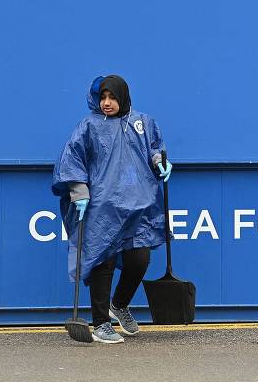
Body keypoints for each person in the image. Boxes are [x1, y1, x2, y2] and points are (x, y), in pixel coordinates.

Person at [52, 75, 173, 344]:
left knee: (139, 258)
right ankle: (100, 324)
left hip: (138, 205)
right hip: (102, 207)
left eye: (112, 97)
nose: (106, 103)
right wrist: (79, 191)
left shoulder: (143, 122)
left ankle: (118, 304)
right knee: (102, 261)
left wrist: (159, 162)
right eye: (102, 97)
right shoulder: (88, 126)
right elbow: (72, 159)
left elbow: (155, 148)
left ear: (123, 97)